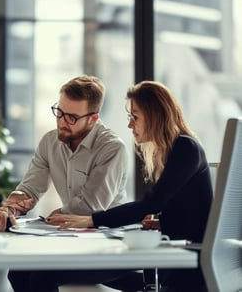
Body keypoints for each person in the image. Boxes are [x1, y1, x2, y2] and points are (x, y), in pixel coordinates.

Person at [38, 81, 213, 292]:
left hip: (184, 268)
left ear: (155, 115)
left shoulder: (186, 147)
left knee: (41, 275)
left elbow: (152, 202)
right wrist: (160, 221)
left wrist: (92, 219)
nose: (130, 125)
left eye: (134, 117)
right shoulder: (178, 150)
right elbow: (188, 211)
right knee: (34, 274)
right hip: (175, 259)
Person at [0, 75, 129, 232]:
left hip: (108, 233)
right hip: (70, 232)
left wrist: (52, 218)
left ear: (93, 119)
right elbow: (30, 189)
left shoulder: (112, 148)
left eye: (71, 118)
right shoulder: (49, 142)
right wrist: (9, 208)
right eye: (59, 112)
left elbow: (91, 206)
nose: (62, 122)